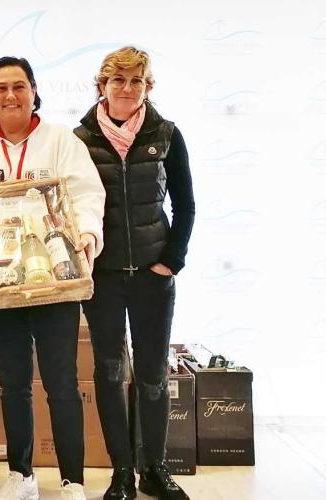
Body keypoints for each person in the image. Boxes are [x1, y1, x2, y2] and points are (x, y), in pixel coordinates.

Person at [0, 56, 106, 500]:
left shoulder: (61, 140)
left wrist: (88, 233)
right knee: (12, 384)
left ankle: (72, 481)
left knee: (62, 384)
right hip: (2, 285)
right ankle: (22, 476)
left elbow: (87, 194)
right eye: (0, 88)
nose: (10, 95)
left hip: (57, 283)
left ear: (34, 91)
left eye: (19, 86)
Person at [74, 47, 195, 500]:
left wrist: (171, 261)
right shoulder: (80, 139)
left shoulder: (167, 134)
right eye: (118, 80)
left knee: (152, 375)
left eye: (136, 81)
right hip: (102, 278)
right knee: (109, 373)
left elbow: (185, 204)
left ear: (148, 86)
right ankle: (122, 473)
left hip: (152, 276)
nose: (127, 89)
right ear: (102, 86)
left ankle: (155, 470)